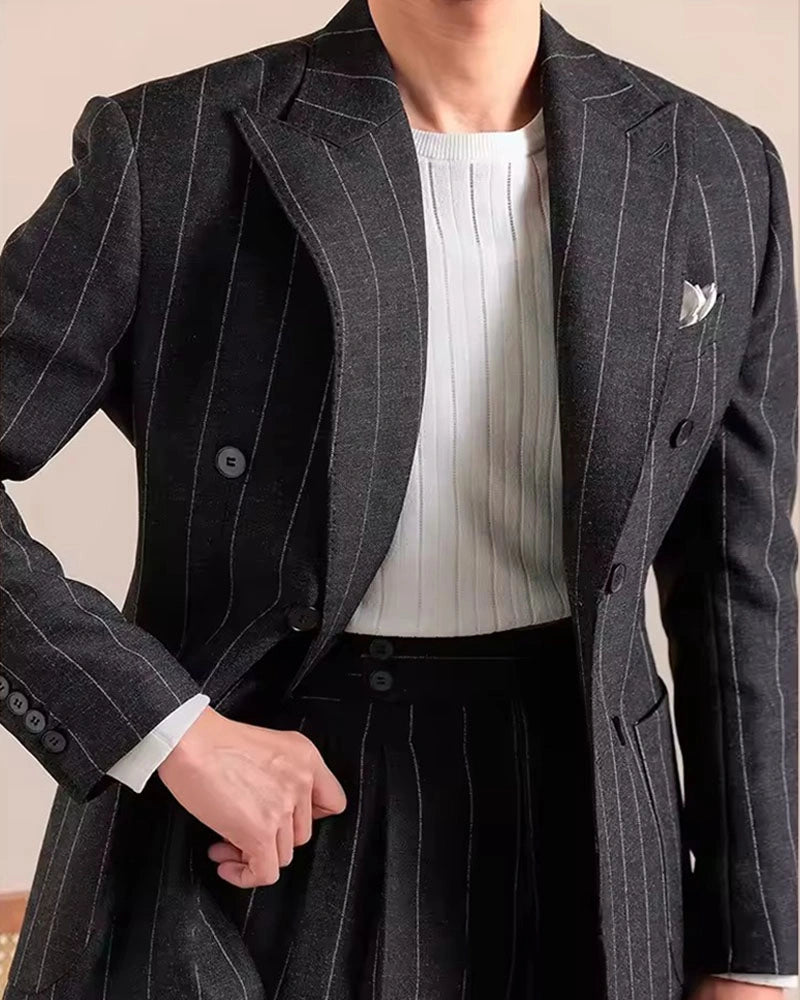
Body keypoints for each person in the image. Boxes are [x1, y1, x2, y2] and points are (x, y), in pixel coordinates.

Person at [0, 0, 796, 997]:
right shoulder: (175, 146)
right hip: (253, 826)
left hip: (589, 838)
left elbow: (737, 580)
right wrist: (167, 730)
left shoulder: (715, 167)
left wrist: (756, 955)